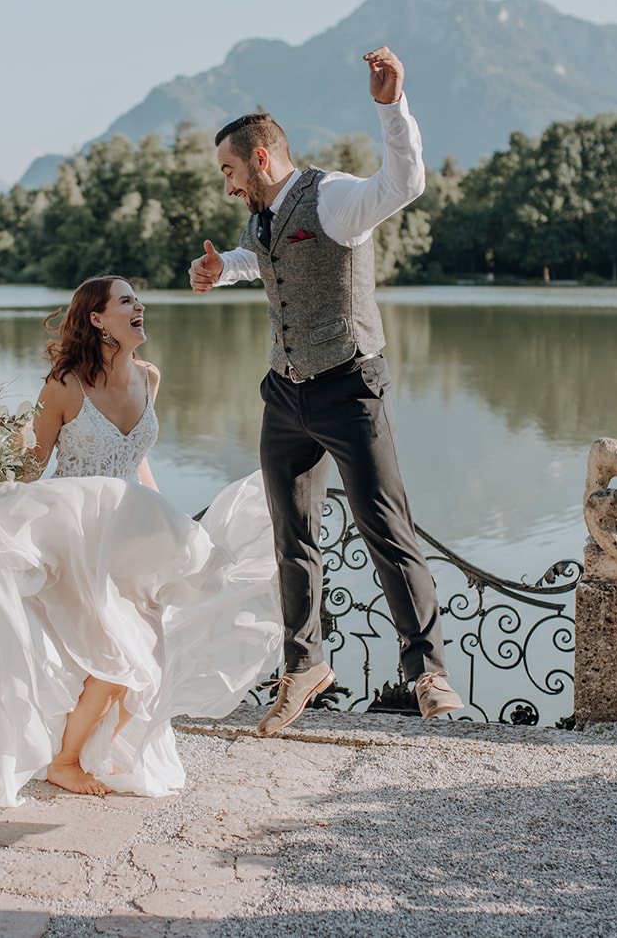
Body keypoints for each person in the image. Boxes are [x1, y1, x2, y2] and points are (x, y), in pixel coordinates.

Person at [0, 275, 281, 804]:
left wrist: (171, 523)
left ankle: (83, 752)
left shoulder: (149, 377)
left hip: (135, 537)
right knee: (119, 658)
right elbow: (32, 467)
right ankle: (65, 763)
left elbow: (135, 460)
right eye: (127, 301)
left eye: (139, 299)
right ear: (97, 318)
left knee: (151, 664)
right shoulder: (64, 385)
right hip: (79, 539)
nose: (141, 306)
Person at [189, 46, 463, 735]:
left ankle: (426, 669)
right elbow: (267, 256)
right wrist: (224, 269)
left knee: (385, 528)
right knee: (292, 537)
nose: (226, 187)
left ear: (259, 158)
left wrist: (391, 107)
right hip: (285, 395)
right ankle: (303, 665)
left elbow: (403, 184)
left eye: (228, 170)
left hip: (350, 387)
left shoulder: (334, 196)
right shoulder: (264, 214)